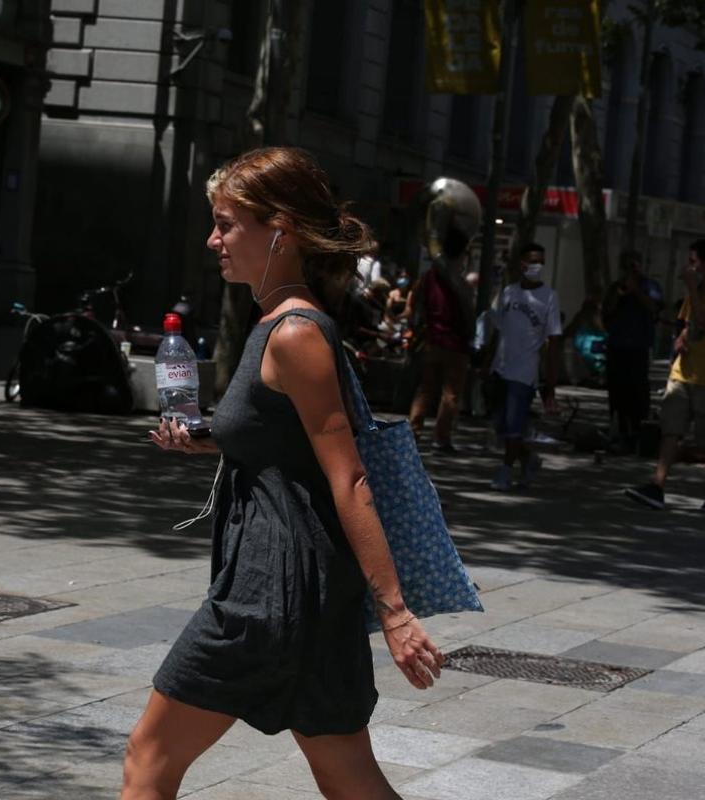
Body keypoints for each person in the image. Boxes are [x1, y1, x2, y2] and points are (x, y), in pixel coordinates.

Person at [122, 148, 444, 800]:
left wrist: (397, 612)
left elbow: (348, 477)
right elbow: (285, 439)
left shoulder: (295, 334)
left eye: (226, 223)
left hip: (270, 596)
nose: (214, 240)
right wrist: (210, 441)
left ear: (280, 230)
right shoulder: (276, 322)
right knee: (349, 776)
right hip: (310, 597)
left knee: (147, 761)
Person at [626, 239, 705, 512]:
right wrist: (681, 340)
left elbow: (703, 319)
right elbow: (690, 325)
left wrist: (690, 287)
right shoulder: (694, 294)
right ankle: (657, 485)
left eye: (694, 261)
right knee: (671, 431)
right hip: (682, 374)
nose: (690, 267)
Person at [484, 243, 562, 491]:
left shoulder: (549, 297)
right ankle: (528, 459)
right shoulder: (508, 292)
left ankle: (505, 471)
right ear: (522, 264)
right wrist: (486, 362)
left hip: (524, 373)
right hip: (500, 368)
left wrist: (550, 385)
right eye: (533, 261)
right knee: (501, 424)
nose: (537, 266)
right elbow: (496, 330)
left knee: (514, 426)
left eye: (541, 261)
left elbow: (554, 341)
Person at [406, 199, 477, 454]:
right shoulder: (459, 283)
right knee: (450, 394)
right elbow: (468, 315)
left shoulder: (429, 277)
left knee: (426, 389)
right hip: (455, 344)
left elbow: (416, 306)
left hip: (432, 340)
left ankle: (414, 433)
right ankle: (441, 438)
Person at [603, 250, 663, 448]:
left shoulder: (650, 286)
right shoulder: (615, 287)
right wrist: (621, 294)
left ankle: (637, 430)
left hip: (638, 348)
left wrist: (636, 290)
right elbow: (607, 312)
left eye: (634, 265)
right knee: (617, 391)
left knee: (637, 392)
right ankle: (618, 429)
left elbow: (654, 308)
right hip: (617, 346)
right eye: (627, 265)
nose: (631, 269)